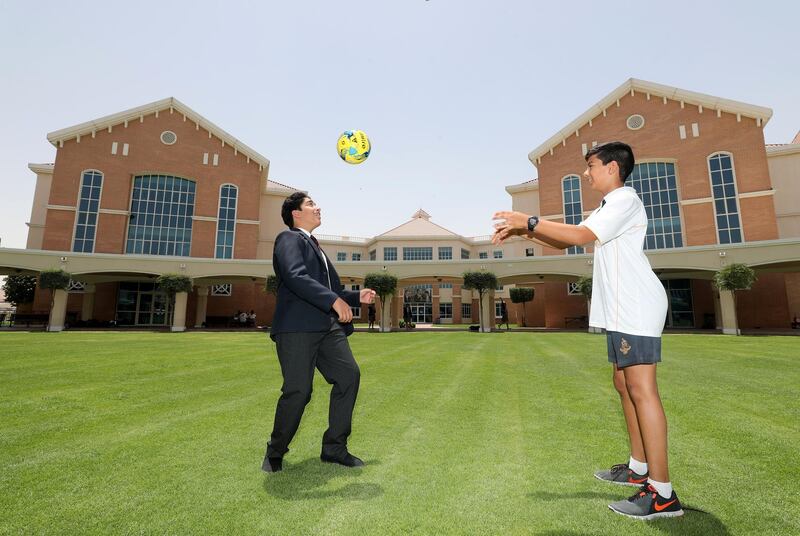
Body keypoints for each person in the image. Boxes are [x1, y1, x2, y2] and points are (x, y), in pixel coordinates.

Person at [492, 141, 683, 520]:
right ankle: (638, 468)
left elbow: (579, 236)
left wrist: (527, 221)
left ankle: (662, 494)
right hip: (621, 310)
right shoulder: (609, 206)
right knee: (623, 384)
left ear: (612, 168)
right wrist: (526, 234)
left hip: (636, 307)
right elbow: (571, 238)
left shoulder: (624, 200)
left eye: (592, 165)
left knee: (643, 390)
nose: (587, 172)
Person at [262, 192, 376, 473]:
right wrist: (333, 301)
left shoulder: (317, 248)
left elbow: (332, 292)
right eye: (311, 204)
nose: (318, 207)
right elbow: (295, 276)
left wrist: (353, 296)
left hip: (327, 328)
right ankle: (275, 451)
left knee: (349, 375)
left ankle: (335, 448)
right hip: (297, 329)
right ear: (296, 214)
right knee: (299, 391)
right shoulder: (288, 238)